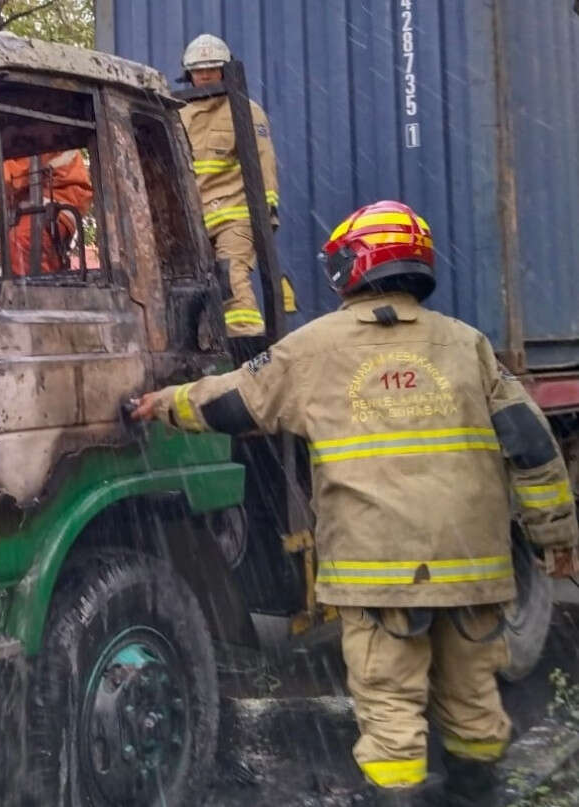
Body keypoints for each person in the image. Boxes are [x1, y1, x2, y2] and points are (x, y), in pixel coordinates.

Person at [131, 200, 579, 806]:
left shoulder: (315, 348)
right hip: (474, 567)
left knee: (391, 712)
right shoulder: (466, 345)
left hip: (381, 572)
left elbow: (233, 403)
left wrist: (164, 403)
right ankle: (478, 794)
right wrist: (556, 540)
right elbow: (532, 446)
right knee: (473, 702)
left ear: (350, 266)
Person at [178, 33, 279, 340]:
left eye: (212, 67)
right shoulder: (178, 115)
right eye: (198, 69)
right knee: (191, 290)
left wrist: (267, 212)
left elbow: (264, 162)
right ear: (189, 73)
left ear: (225, 69)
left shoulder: (246, 111)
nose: (205, 74)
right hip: (194, 221)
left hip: (235, 215)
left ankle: (247, 349)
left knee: (231, 278)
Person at [0, 149, 93, 276]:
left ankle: (29, 300)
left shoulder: (36, 134)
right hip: (40, 206)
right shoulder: (17, 138)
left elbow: (16, 172)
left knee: (21, 243)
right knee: (25, 254)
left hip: (57, 200)